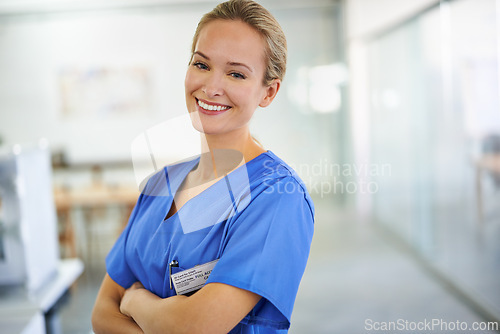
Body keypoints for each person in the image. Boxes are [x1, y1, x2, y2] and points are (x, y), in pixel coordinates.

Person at [91, 0, 314, 333]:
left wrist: (136, 302)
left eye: (236, 73)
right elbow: (101, 314)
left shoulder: (276, 197)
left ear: (268, 92)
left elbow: (194, 328)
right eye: (202, 64)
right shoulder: (159, 184)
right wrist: (167, 316)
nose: (211, 87)